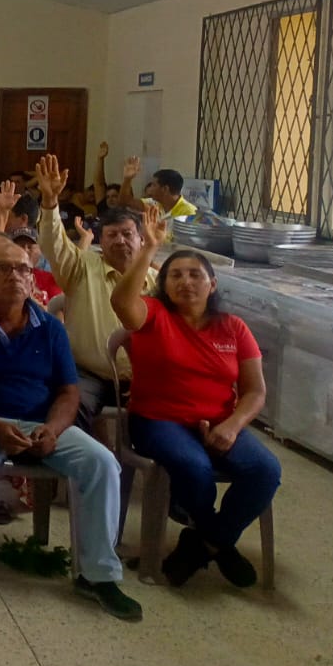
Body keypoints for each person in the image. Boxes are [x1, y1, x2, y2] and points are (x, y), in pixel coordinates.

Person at [0, 234, 141, 622]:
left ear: (33, 276)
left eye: (23, 269)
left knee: (101, 462)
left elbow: (68, 392)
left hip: (41, 422)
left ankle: (98, 575)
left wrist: (53, 429)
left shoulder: (50, 327)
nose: (15, 276)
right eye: (3, 268)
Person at [111, 204, 277, 588]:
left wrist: (233, 425)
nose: (185, 281)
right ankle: (218, 542)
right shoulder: (152, 314)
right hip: (157, 421)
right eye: (175, 275)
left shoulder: (233, 327)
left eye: (195, 275)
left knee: (265, 470)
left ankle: (204, 543)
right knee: (194, 467)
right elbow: (121, 303)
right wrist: (149, 248)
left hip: (221, 421)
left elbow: (255, 391)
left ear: (212, 284)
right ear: (163, 284)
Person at [33, 154, 156, 427]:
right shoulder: (82, 267)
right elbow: (53, 244)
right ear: (100, 240)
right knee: (67, 413)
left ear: (142, 239)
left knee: (173, 421)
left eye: (127, 234)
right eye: (111, 235)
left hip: (148, 377)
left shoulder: (157, 282)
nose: (120, 241)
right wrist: (50, 202)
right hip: (88, 374)